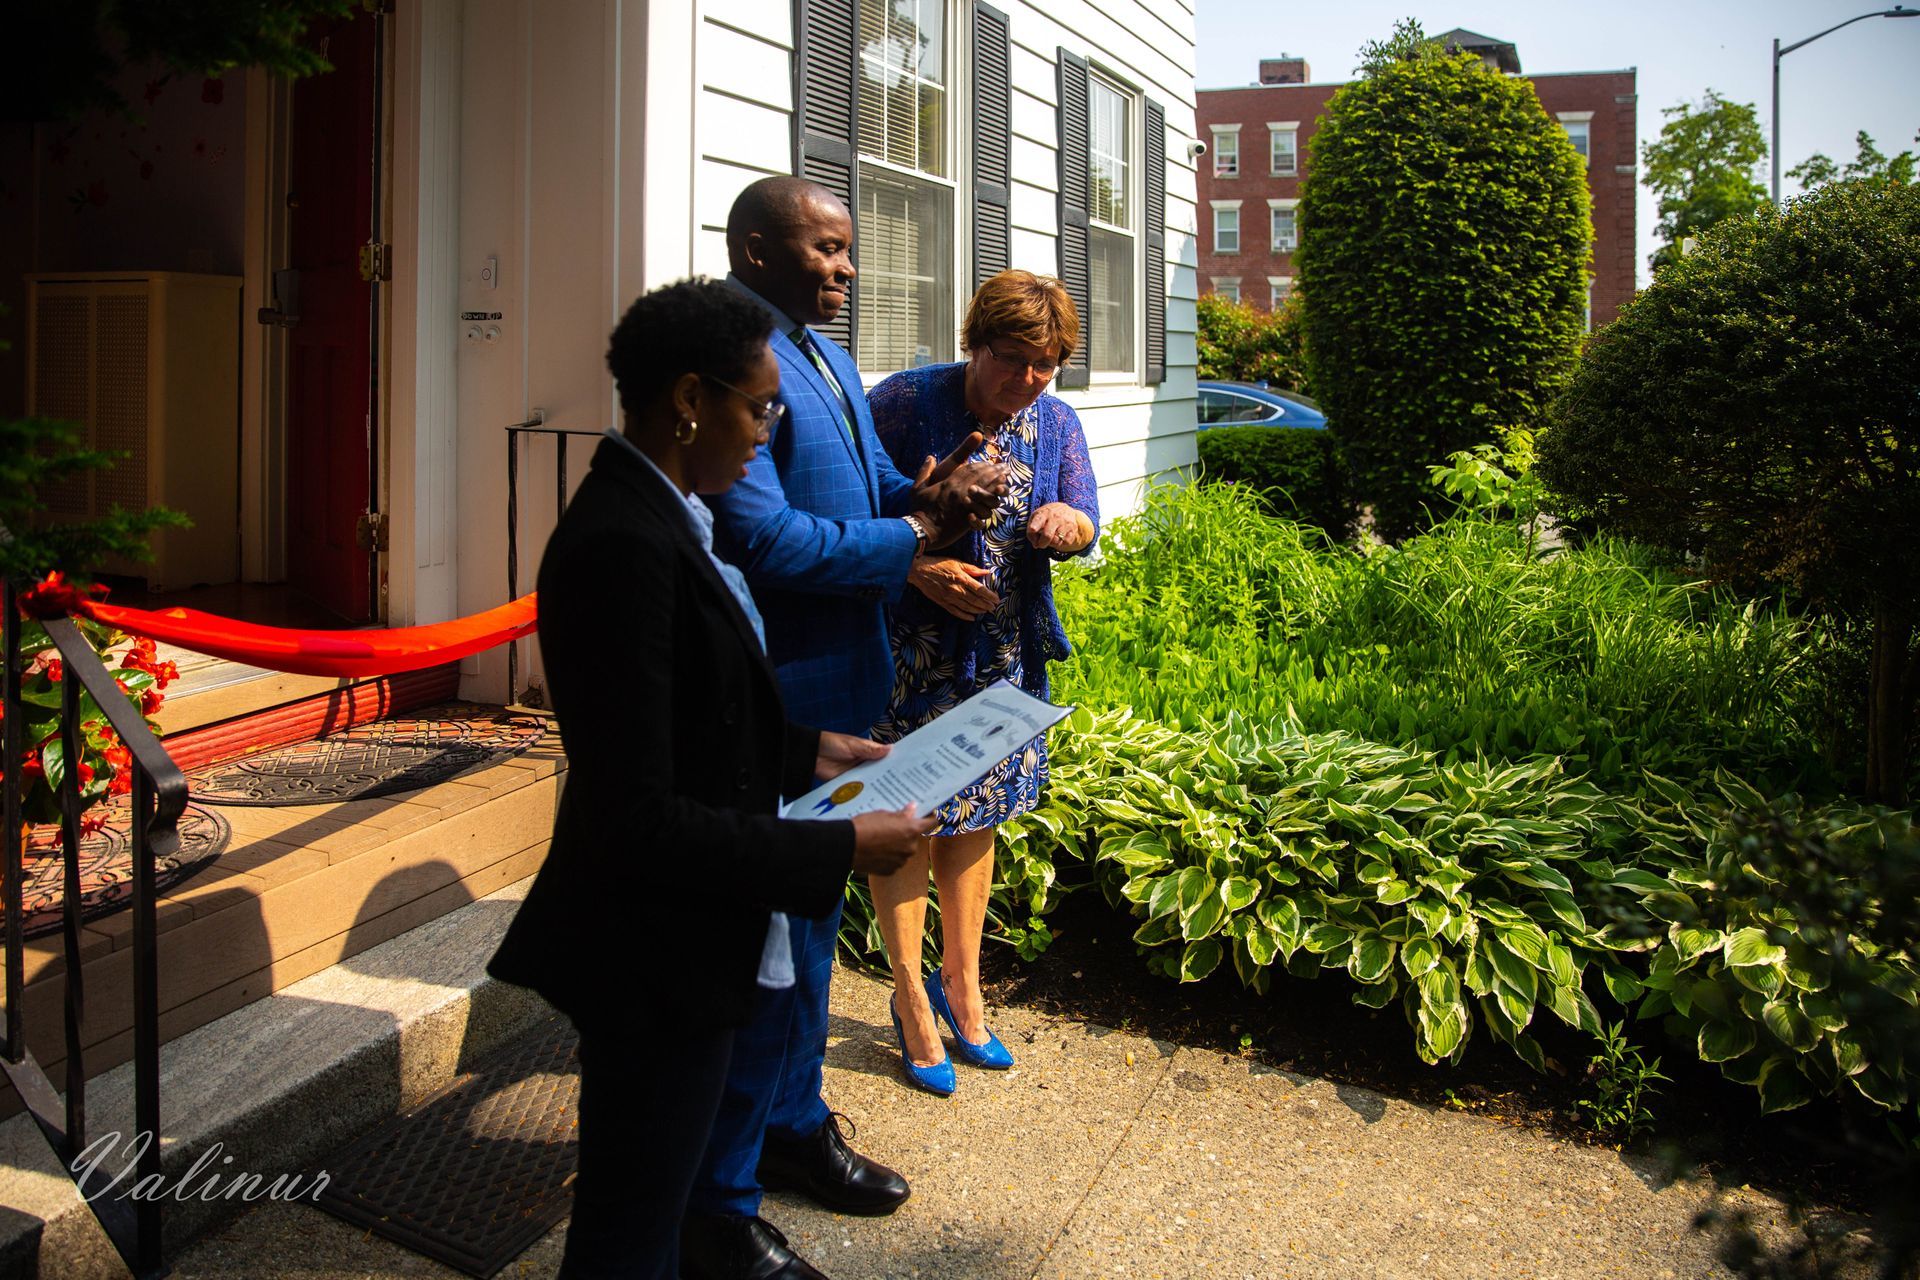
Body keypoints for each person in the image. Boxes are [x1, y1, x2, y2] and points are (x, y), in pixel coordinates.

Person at [486, 278, 933, 1280]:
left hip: (687, 941)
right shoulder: (620, 546)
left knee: (654, 1209)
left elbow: (697, 717)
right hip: (651, 951)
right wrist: (837, 845)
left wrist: (814, 752)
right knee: (627, 1232)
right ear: (690, 398)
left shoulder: (669, 512)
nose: (768, 429)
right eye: (759, 406)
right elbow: (639, 810)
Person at [691, 177, 1006, 1280]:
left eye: (849, 250)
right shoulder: (735, 359)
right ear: (755, 250)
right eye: (825, 249)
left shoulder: (822, 356)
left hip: (843, 687)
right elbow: (762, 540)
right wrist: (908, 543)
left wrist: (936, 487)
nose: (847, 268)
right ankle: (723, 1199)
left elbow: (870, 481)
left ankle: (794, 1124)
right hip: (779, 699)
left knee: (813, 940)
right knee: (764, 954)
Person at [864, 270, 1100, 1094]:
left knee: (977, 819)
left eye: (1047, 364)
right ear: (976, 342)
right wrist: (918, 564)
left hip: (1002, 665)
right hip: (906, 656)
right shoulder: (902, 404)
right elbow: (852, 518)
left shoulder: (1056, 422)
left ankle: (961, 987)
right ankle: (908, 999)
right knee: (905, 820)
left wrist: (1067, 526)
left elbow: (1083, 515)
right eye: (1013, 360)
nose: (1028, 380)